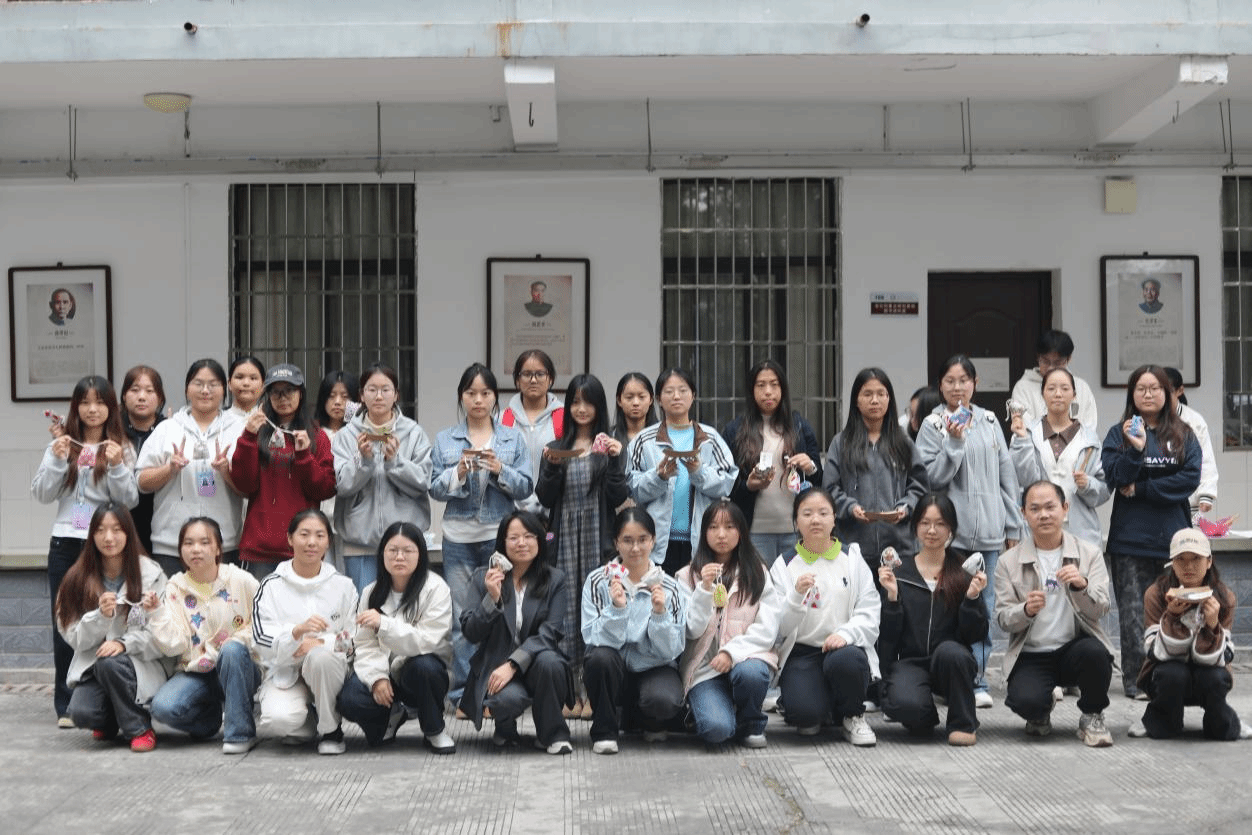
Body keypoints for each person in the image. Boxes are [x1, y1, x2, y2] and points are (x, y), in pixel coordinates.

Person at [915, 354, 1024, 708]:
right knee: (948, 608)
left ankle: (977, 679)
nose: (957, 387)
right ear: (940, 386)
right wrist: (954, 442)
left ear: (975, 384)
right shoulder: (933, 425)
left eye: (964, 380)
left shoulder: (989, 421)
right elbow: (930, 479)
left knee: (983, 608)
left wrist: (1012, 524)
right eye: (950, 381)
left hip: (990, 534)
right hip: (952, 538)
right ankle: (947, 677)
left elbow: (1007, 477)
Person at [31, 375, 139, 726]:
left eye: (100, 402)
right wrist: (57, 459)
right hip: (65, 542)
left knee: (104, 617)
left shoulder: (122, 447)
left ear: (111, 407)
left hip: (104, 544)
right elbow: (41, 494)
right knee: (66, 620)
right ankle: (65, 705)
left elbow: (130, 500)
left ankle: (100, 696)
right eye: (85, 402)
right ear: (76, 407)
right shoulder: (62, 444)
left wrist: (117, 465)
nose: (93, 409)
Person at [430, 363, 533, 707]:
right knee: (463, 616)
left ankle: (495, 690)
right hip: (458, 538)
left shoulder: (511, 438)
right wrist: (457, 473)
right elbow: (435, 489)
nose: (478, 400)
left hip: (498, 537)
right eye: (471, 393)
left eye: (485, 393)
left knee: (499, 614)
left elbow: (526, 486)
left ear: (495, 397)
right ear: (461, 397)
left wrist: (500, 469)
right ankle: (463, 695)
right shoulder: (446, 439)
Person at [1102, 364, 1201, 699]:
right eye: (1141, 388)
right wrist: (1136, 450)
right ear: (1132, 394)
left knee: (1177, 612)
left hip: (1174, 542)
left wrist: (1142, 489)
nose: (1148, 394)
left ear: (1168, 393)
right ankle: (1138, 681)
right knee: (1133, 617)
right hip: (1130, 541)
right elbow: (1116, 476)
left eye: (1155, 388)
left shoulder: (1183, 434)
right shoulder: (1118, 435)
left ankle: (1177, 678)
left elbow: (1189, 479)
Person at [534, 374, 628, 718]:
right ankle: (568, 693)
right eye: (575, 402)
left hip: (597, 540)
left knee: (597, 611)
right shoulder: (557, 446)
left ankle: (593, 693)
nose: (582, 408)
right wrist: (552, 467)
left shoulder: (611, 446)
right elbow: (544, 498)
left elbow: (618, 497)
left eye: (588, 402)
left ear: (599, 406)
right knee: (565, 614)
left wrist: (615, 461)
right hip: (564, 542)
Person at [994, 481, 1115, 747]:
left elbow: (1102, 609)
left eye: (1050, 507)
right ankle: (1041, 708)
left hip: (1074, 648)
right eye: (1035, 509)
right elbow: (1003, 619)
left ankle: (1092, 715)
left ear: (1065, 508)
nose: (1044, 515)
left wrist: (1081, 586)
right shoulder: (1008, 561)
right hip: (1031, 654)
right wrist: (1025, 610)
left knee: (1096, 654)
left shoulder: (1089, 553)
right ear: (1023, 514)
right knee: (1026, 701)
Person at [770, 488, 880, 746]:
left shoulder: (851, 559)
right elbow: (778, 626)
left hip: (843, 649)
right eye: (807, 514)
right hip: (801, 653)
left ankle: (853, 714)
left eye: (823, 513)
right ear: (796, 521)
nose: (815, 520)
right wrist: (796, 596)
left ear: (834, 519)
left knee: (848, 661)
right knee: (805, 718)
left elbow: (870, 611)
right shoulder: (784, 565)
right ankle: (811, 703)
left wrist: (845, 634)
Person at [55, 504, 168, 752]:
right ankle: (111, 718)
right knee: (82, 714)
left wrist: (123, 644)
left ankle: (139, 728)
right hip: (95, 668)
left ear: (128, 533)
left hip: (139, 664)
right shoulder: (76, 578)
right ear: (91, 535)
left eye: (117, 530)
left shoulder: (151, 574)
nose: (108, 538)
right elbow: (73, 637)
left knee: (111, 663)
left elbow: (161, 635)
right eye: (100, 530)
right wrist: (100, 617)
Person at [146, 517, 263, 754]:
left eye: (204, 542)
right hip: (197, 671)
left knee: (231, 650)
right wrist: (157, 613)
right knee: (163, 708)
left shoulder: (239, 580)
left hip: (239, 666)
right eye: (188, 543)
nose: (196, 549)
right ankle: (208, 721)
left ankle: (240, 733)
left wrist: (234, 642)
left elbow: (263, 621)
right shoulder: (175, 588)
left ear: (218, 548)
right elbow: (175, 645)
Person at [878, 493, 988, 746]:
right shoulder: (900, 573)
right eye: (925, 523)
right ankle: (925, 715)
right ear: (915, 526)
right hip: (910, 663)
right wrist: (892, 598)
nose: (932, 530)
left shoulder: (963, 572)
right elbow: (888, 636)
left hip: (949, 661)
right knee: (908, 708)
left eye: (940, 523)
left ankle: (963, 723)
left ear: (951, 529)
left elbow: (975, 635)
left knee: (952, 653)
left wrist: (972, 599)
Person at [336, 522, 455, 752]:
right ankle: (390, 716)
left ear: (420, 554)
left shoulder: (435, 588)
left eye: (408, 550)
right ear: (382, 554)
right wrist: (377, 678)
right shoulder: (371, 591)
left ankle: (434, 729)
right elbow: (365, 644)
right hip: (385, 672)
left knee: (425, 668)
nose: (399, 557)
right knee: (350, 699)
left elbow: (427, 640)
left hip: (418, 671)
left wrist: (384, 624)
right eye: (392, 550)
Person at [461, 512, 574, 754]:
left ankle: (553, 734)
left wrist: (514, 664)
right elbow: (471, 632)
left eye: (529, 536)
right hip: (497, 664)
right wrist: (492, 599)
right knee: (506, 700)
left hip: (536, 662)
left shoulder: (554, 579)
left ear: (540, 540)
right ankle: (505, 729)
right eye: (513, 538)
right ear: (502, 543)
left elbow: (550, 632)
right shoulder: (483, 577)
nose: (521, 543)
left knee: (551, 663)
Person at [581, 508, 688, 754]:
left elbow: (672, 650)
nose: (635, 548)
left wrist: (659, 614)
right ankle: (605, 732)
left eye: (642, 539)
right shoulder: (598, 581)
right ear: (616, 543)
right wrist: (617, 609)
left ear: (653, 541)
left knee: (663, 700)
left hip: (653, 665)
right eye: (627, 540)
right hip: (613, 666)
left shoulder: (669, 586)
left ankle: (645, 720)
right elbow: (592, 637)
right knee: (600, 659)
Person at [252, 509, 358, 754]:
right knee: (280, 722)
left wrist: (320, 644)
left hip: (330, 670)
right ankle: (309, 720)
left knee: (320, 658)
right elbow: (260, 641)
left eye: (320, 535)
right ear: (290, 539)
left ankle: (331, 730)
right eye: (304, 534)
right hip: (286, 672)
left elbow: (354, 639)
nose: (312, 542)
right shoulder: (270, 586)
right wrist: (295, 634)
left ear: (328, 542)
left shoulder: (343, 586)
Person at [676, 500, 780, 748]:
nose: (721, 534)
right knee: (716, 730)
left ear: (741, 531)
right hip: (704, 670)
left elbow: (767, 629)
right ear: (703, 532)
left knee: (751, 674)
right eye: (713, 527)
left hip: (745, 660)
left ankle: (751, 723)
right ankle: (717, 710)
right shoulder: (686, 576)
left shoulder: (757, 573)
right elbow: (690, 630)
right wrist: (703, 589)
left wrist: (731, 653)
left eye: (729, 527)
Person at [1130, 529, 1249, 740]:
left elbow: (1224, 658)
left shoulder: (1224, 598)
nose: (1189, 566)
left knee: (1214, 678)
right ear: (1172, 563)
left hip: (1209, 670)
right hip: (1165, 673)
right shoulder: (1157, 593)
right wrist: (1172, 617)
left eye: (1196, 558)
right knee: (1173, 674)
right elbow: (1155, 653)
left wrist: (1212, 626)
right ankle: (1158, 720)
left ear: (1209, 561)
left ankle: (1224, 721)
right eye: (1181, 559)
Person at [137, 359, 245, 577]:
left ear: (225, 389)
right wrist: (169, 470)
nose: (205, 390)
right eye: (198, 383)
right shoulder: (167, 429)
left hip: (222, 544)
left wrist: (226, 472)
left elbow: (250, 489)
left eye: (213, 384)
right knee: (173, 600)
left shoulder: (239, 429)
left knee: (220, 600)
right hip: (171, 544)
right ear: (187, 389)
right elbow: (141, 482)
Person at [626, 368, 738, 575]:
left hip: (702, 541)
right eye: (669, 391)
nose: (676, 396)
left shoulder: (710, 438)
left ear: (693, 395)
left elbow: (727, 483)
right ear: (658, 399)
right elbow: (634, 489)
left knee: (700, 592)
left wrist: (699, 472)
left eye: (683, 390)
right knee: (659, 594)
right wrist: (659, 477)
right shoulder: (644, 440)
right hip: (656, 541)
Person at [333, 364, 433, 592]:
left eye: (386, 390)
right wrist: (364, 462)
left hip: (403, 543)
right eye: (372, 389)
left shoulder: (414, 432)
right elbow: (342, 485)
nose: (379, 396)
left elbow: (423, 481)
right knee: (365, 606)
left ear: (396, 394)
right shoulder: (347, 436)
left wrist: (395, 463)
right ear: (361, 395)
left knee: (404, 606)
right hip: (359, 544)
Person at [231, 364, 337, 580]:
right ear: (267, 396)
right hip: (259, 548)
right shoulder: (257, 431)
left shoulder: (317, 436)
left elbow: (326, 488)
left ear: (301, 393)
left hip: (302, 547)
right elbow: (244, 484)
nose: (283, 398)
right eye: (276, 392)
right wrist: (248, 437)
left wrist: (304, 456)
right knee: (259, 601)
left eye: (289, 391)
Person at [824, 367, 927, 575]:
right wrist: (850, 507)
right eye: (867, 394)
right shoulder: (841, 443)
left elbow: (919, 487)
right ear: (856, 400)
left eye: (881, 394)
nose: (874, 400)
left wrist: (906, 507)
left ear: (889, 399)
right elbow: (830, 489)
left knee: (896, 596)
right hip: (853, 547)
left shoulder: (903, 442)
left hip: (899, 548)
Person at [722, 359, 823, 562]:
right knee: (760, 582)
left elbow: (819, 478)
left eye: (774, 385)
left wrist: (810, 467)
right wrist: (748, 485)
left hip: (796, 529)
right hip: (754, 531)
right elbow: (724, 483)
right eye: (761, 385)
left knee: (797, 581)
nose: (768, 392)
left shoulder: (799, 426)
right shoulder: (735, 430)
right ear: (751, 390)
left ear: (783, 389)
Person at [1009, 367, 1110, 547]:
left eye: (1064, 388)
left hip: (1080, 533)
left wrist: (1087, 485)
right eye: (1051, 388)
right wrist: (1022, 441)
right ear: (1042, 394)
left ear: (1074, 395)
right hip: (1036, 532)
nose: (1058, 394)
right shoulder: (1027, 434)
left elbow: (1104, 490)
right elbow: (1021, 481)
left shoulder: (1089, 439)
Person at [500, 349, 564, 515]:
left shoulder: (564, 418)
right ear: (517, 380)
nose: (533, 380)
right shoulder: (502, 419)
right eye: (527, 374)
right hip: (511, 513)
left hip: (554, 513)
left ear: (550, 379)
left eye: (540, 374)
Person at [1009, 330, 1098, 430]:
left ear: (1068, 359)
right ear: (1038, 357)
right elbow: (1024, 426)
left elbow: (1089, 427)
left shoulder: (1081, 387)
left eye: (1057, 363)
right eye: (1045, 361)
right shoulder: (1023, 388)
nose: (1051, 368)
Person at [119, 365, 166, 554]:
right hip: (118, 523)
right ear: (124, 395)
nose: (141, 397)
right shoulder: (112, 430)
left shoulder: (170, 430)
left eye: (149, 391)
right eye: (135, 390)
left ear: (160, 398)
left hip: (160, 523)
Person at [315, 369, 358, 570]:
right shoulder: (313, 433)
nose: (338, 402)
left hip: (350, 516)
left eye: (345, 397)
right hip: (319, 514)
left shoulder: (359, 433)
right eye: (331, 396)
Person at [1164, 367, 1218, 515]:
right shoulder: (1147, 419)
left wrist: (1206, 494)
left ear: (1180, 391)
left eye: (1168, 392)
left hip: (1188, 503)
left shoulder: (1194, 421)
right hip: (1156, 503)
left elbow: (1206, 459)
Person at [611, 371, 658, 463]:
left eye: (641, 397)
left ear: (651, 400)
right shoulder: (610, 437)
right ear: (619, 400)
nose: (636, 403)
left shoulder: (663, 436)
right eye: (629, 397)